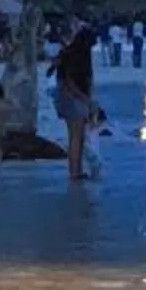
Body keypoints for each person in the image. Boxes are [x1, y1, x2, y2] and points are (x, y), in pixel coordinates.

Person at [50, 25, 97, 181]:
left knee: (75, 136)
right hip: (73, 98)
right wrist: (86, 99)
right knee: (76, 137)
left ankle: (75, 170)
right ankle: (75, 172)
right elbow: (72, 82)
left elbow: (62, 78)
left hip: (65, 97)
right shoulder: (79, 57)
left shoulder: (66, 54)